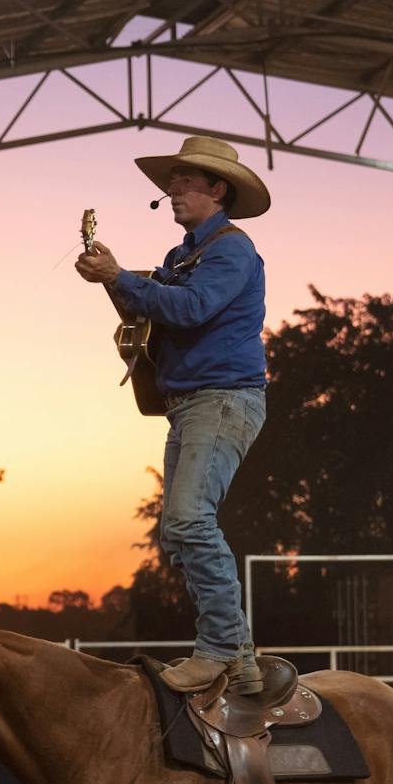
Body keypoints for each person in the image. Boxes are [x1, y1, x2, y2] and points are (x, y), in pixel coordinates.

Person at [74, 135, 270, 693]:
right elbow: (153, 305)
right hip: (194, 404)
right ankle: (242, 661)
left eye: (184, 181)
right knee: (180, 533)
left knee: (188, 523)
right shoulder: (182, 257)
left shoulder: (232, 249)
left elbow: (191, 307)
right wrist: (114, 281)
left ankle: (217, 651)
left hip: (222, 398)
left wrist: (118, 277)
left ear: (217, 189)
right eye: (172, 181)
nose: (172, 189)